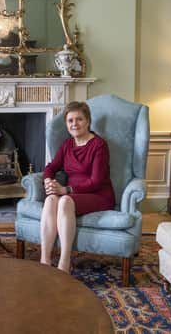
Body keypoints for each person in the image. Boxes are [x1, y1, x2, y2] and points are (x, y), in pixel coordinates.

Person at [40, 101, 115, 273]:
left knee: (64, 201)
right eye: (70, 120)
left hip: (98, 194)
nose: (75, 124)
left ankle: (64, 263)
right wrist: (47, 181)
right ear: (66, 124)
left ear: (88, 121)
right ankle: (45, 261)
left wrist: (66, 190)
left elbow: (96, 181)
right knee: (51, 199)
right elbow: (51, 167)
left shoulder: (99, 145)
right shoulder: (67, 145)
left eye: (79, 119)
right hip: (74, 195)